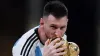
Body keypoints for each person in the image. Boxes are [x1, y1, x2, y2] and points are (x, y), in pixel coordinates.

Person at [12, 1, 76, 56]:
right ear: (42, 23)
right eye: (53, 27)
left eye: (62, 27)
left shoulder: (60, 38)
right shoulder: (22, 47)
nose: (58, 34)